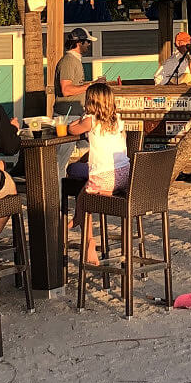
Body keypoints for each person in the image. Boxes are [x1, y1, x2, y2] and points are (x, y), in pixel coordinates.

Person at [65, 82, 128, 266]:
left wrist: (79, 119)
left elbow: (71, 129)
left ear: (90, 102)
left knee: (74, 175)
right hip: (123, 176)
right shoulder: (117, 119)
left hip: (104, 179)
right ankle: (79, 216)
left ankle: (88, 241)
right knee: (86, 182)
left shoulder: (91, 120)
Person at [55, 28, 93, 116]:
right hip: (68, 116)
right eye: (88, 41)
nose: (89, 44)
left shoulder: (75, 60)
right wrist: (91, 85)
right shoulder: (68, 61)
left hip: (74, 115)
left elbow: (77, 85)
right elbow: (66, 90)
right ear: (80, 42)